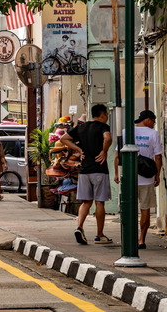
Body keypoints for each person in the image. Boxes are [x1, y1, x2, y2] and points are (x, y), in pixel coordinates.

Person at [60, 103, 112, 245]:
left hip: (84, 170)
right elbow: (107, 138)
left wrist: (79, 150)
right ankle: (99, 235)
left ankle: (79, 227)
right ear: (102, 115)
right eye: (106, 114)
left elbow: (63, 139)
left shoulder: (81, 127)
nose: (107, 117)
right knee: (99, 202)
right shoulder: (103, 127)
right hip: (99, 169)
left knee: (86, 202)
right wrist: (104, 151)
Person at [120, 109, 162, 249]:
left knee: (129, 208)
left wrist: (117, 174)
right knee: (145, 209)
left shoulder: (126, 132)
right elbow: (158, 157)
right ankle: (141, 240)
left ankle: (129, 237)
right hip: (147, 178)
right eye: (153, 121)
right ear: (148, 120)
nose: (153, 124)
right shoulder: (153, 134)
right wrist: (157, 174)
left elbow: (117, 155)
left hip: (130, 177)